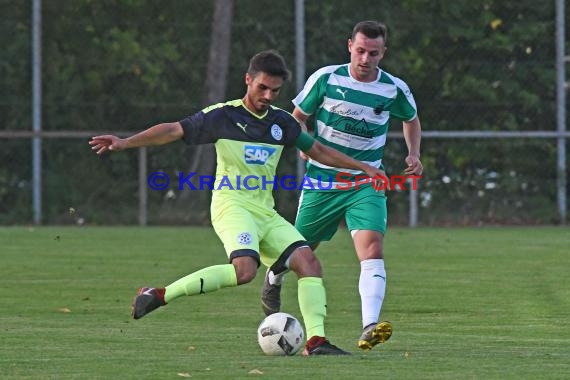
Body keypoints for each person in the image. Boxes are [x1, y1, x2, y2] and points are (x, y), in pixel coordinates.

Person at [89, 50, 386, 356]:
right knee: (245, 271)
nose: (268, 95)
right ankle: (160, 294)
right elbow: (173, 130)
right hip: (232, 206)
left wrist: (363, 167)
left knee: (308, 263)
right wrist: (125, 142)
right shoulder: (223, 116)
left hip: (264, 212)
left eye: (275, 91)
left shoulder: (282, 123)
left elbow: (319, 150)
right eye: (262, 88)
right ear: (248, 80)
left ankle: (316, 341)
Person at [260, 21, 423, 351]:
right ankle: (273, 277)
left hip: (366, 181)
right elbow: (297, 118)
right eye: (360, 50)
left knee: (372, 248)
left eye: (373, 53)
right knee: (300, 251)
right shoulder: (326, 78)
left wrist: (414, 153)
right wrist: (306, 147)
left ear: (383, 53)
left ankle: (369, 325)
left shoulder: (393, 88)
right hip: (322, 181)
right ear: (349, 45)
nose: (365, 58)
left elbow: (411, 119)